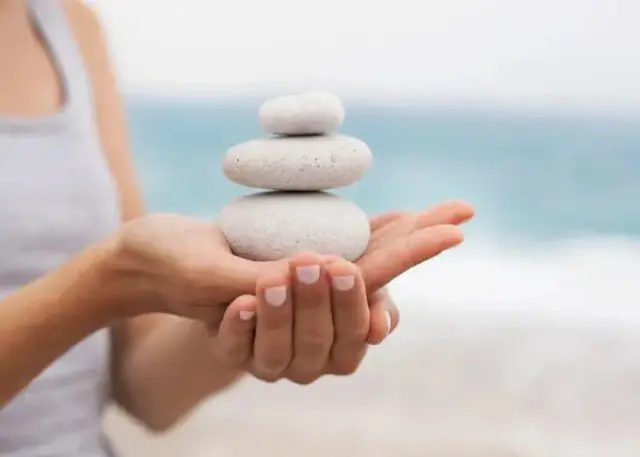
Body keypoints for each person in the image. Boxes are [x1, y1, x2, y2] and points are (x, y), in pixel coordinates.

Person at [0, 0, 474, 456]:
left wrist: (243, 318)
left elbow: (144, 391)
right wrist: (111, 280)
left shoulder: (71, 27)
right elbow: (109, 282)